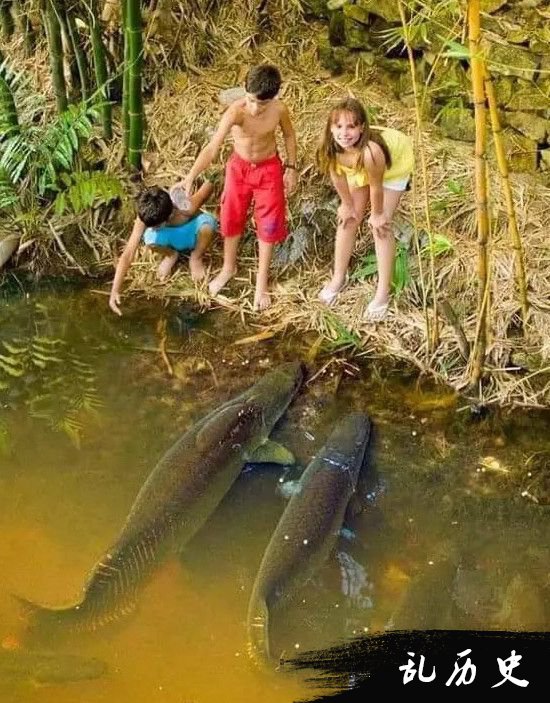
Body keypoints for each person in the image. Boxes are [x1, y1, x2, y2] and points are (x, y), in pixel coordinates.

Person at [180, 64, 298, 311]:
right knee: (230, 217)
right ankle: (228, 268)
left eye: (261, 104)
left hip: (268, 168)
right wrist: (191, 176)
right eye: (251, 100)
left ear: (274, 97)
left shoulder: (279, 110)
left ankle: (261, 284)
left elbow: (288, 135)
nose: (255, 108)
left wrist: (292, 167)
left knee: (269, 222)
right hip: (239, 169)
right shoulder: (236, 112)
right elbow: (212, 148)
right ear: (245, 91)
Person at [316, 97, 414, 321]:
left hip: (391, 167)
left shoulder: (371, 152)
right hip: (360, 166)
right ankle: (338, 277)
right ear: (331, 128)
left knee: (381, 227)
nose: (344, 133)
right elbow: (337, 175)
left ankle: (382, 293)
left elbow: (376, 187)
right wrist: (346, 204)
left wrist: (378, 214)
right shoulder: (332, 148)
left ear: (361, 127)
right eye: (338, 126)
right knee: (348, 219)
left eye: (351, 126)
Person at [108, 181, 216, 316]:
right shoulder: (147, 213)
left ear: (169, 216)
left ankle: (196, 257)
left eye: (155, 226)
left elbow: (208, 186)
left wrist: (195, 178)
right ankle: (171, 255)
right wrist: (114, 290)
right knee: (149, 238)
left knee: (208, 223)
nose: (151, 228)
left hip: (190, 233)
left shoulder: (185, 208)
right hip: (170, 237)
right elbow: (129, 253)